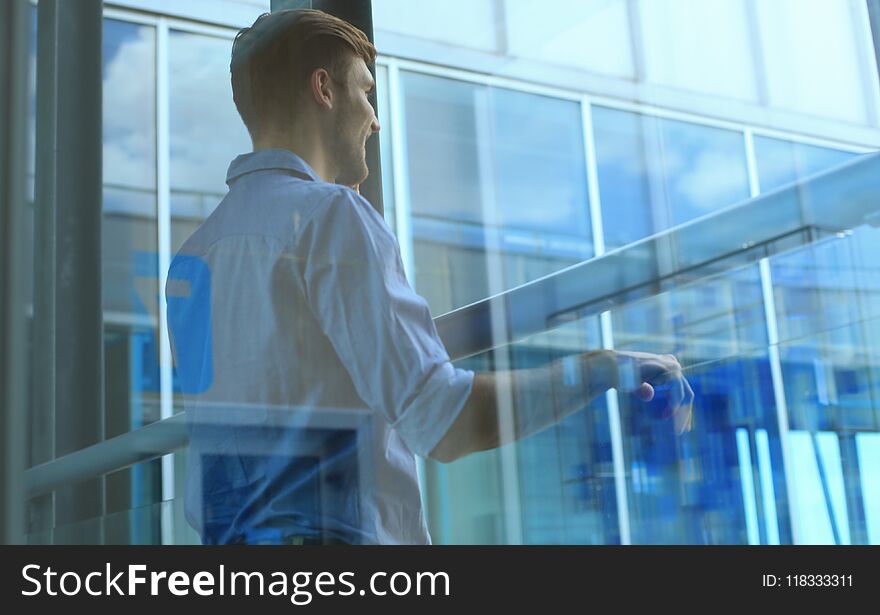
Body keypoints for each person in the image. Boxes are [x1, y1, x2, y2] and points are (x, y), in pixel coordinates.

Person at [165, 8, 694, 546]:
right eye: (366, 92)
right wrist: (600, 368)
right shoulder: (332, 218)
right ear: (323, 89)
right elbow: (442, 420)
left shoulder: (192, 257)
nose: (375, 119)